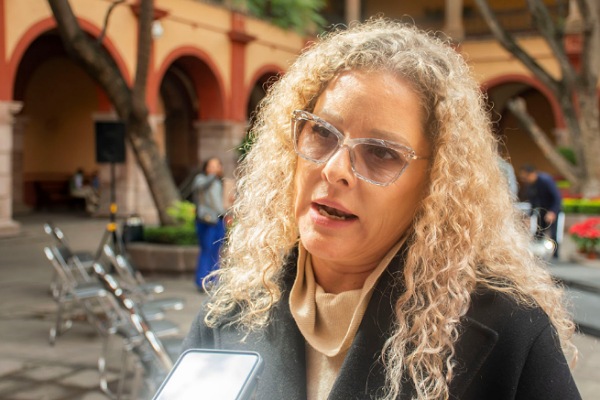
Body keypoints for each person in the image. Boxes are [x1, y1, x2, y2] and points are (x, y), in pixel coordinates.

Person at [183, 20, 580, 400]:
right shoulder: (232, 310)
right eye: (321, 132)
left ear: (435, 185)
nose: (335, 169)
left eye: (381, 153)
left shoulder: (508, 332)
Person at [192, 157, 226, 289]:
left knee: (216, 252)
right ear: (206, 167)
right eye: (211, 166)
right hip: (206, 221)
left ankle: (213, 280)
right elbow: (200, 187)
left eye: (217, 166)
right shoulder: (201, 179)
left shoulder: (219, 182)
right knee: (206, 250)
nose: (214, 169)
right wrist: (212, 175)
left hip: (219, 220)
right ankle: (202, 281)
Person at [519, 164, 563, 259]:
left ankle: (555, 254)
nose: (525, 179)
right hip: (541, 211)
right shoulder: (530, 185)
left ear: (531, 174)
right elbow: (533, 203)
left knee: (553, 232)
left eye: (526, 177)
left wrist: (553, 211)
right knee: (539, 231)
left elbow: (557, 198)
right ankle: (539, 253)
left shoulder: (545, 180)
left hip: (552, 209)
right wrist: (529, 217)